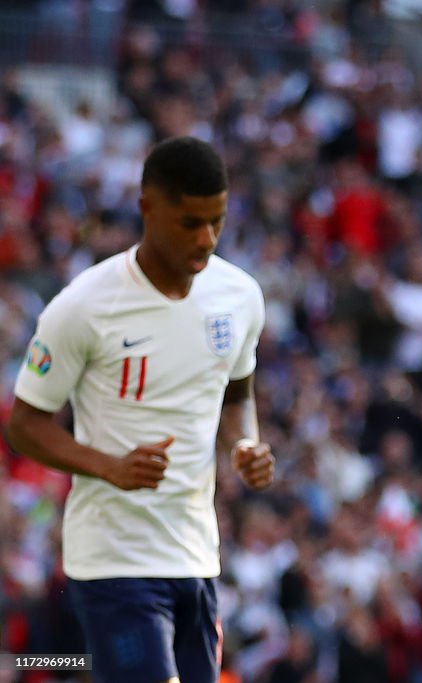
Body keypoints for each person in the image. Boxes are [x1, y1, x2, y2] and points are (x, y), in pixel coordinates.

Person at [6, 136, 273, 683]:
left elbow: (237, 394)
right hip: (113, 558)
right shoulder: (83, 306)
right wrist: (108, 465)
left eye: (216, 221)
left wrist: (244, 443)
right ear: (147, 208)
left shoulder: (239, 296)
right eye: (190, 222)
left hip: (196, 555)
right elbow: (25, 426)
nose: (206, 239)